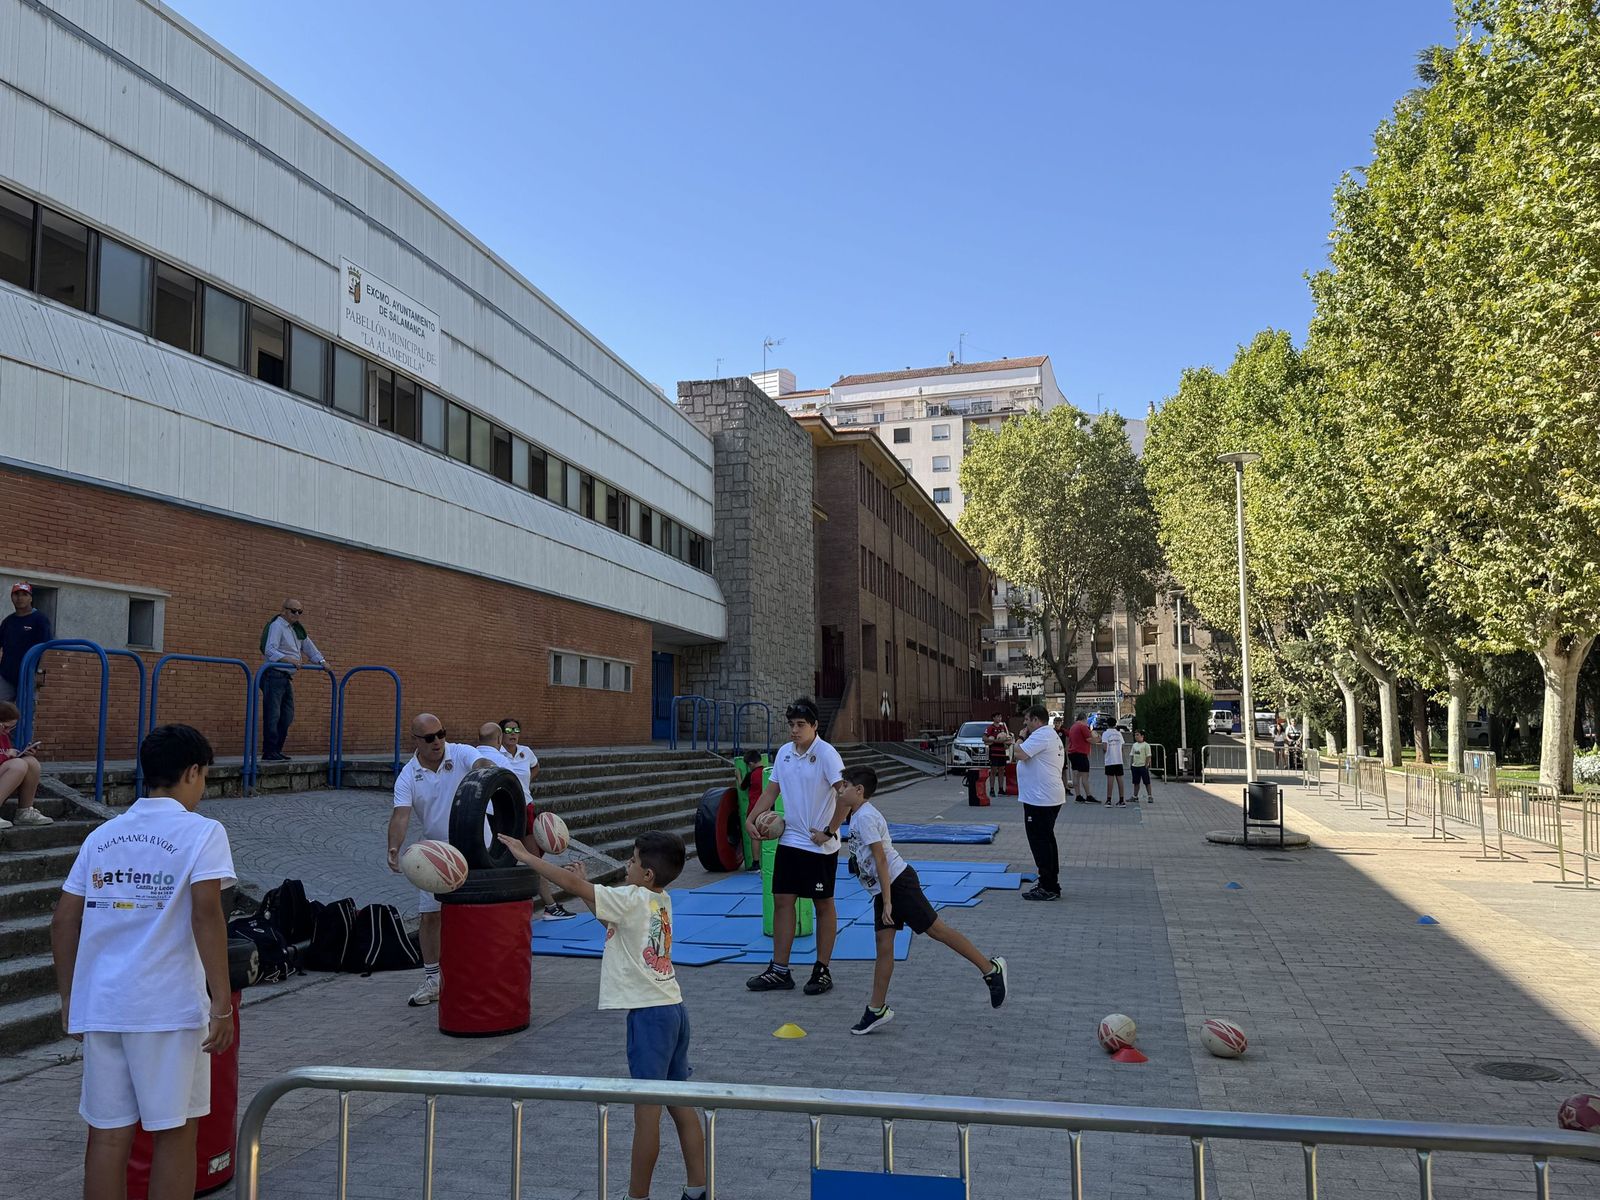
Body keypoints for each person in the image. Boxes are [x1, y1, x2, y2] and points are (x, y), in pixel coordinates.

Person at [51, 724, 235, 1200]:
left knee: (108, 1134)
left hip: (106, 1004)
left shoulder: (103, 835)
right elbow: (207, 914)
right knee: (175, 1132)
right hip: (167, 1008)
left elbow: (63, 920)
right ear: (192, 772)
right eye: (204, 778)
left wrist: (71, 996)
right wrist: (221, 1002)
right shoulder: (203, 832)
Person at [496, 831, 707, 1200]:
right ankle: (699, 1187)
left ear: (647, 875)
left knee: (647, 1115)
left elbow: (573, 884)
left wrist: (529, 858)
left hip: (649, 1018)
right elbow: (613, 920)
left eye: (633, 860)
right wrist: (584, 890)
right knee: (680, 1103)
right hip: (673, 1008)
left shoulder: (633, 897)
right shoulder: (660, 899)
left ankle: (636, 1195)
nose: (628, 864)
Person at [838, 765, 1007, 1033]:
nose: (839, 789)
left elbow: (881, 859)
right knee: (884, 945)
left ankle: (990, 969)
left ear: (859, 791)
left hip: (897, 885)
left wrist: (889, 902)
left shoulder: (865, 817)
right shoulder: (857, 813)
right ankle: (876, 1009)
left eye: (844, 785)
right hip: (886, 889)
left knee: (937, 930)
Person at [386, 714, 497, 1007]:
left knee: (479, 912)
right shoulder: (408, 775)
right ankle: (433, 979)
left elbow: (481, 765)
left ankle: (483, 973)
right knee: (430, 915)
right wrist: (394, 848)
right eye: (430, 738)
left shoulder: (460, 752)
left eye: (441, 734)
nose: (437, 741)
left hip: (476, 845)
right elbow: (401, 815)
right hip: (436, 852)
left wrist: (487, 768)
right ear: (416, 741)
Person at [744, 697, 847, 996]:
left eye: (801, 725)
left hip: (819, 846)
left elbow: (846, 796)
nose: (794, 730)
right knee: (782, 901)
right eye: (791, 725)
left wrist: (830, 831)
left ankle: (822, 969)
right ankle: (780, 970)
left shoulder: (827, 755)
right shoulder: (785, 754)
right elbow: (772, 789)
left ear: (815, 726)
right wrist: (751, 819)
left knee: (823, 904)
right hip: (790, 840)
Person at [501, 718, 573, 921]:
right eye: (508, 730)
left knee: (534, 858)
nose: (513, 733)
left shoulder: (525, 752)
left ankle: (550, 906)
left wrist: (525, 783)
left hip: (526, 808)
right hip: (504, 810)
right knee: (505, 859)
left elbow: (535, 767)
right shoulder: (496, 753)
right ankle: (509, 909)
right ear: (501, 734)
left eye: (516, 729)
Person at [258, 599, 332, 762]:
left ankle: (276, 750)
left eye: (300, 612)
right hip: (273, 675)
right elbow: (270, 650)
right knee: (273, 715)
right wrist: (289, 660)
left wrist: (322, 662)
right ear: (283, 610)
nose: (296, 615)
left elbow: (309, 648)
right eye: (293, 611)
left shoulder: (297, 630)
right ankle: (269, 752)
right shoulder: (277, 626)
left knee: (287, 716)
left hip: (285, 678)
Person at [1013, 704, 1067, 901]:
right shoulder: (1049, 734)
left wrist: (1019, 737)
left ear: (1036, 720)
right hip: (1045, 797)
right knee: (1047, 840)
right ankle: (1050, 881)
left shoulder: (1041, 734)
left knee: (1040, 842)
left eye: (1027, 720)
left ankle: (1048, 885)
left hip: (1040, 799)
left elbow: (1019, 753)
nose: (1025, 724)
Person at [0, 581, 52, 703]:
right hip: (6, 675)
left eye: (24, 594)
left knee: (25, 711)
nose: (20, 598)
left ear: (30, 598)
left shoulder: (40, 620)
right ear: (11, 597)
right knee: (3, 711)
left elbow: (45, 648)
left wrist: (39, 671)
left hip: (28, 674)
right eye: (16, 594)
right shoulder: (8, 621)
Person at [0, 699, 49, 827]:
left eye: (12, 727)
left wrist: (22, 754)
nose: (7, 731)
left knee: (31, 762)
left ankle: (25, 812)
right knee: (18, 765)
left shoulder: (3, 735)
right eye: (5, 727)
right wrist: (6, 756)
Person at [1065, 712, 1093, 802]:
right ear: (1084, 719)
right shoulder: (1083, 726)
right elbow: (1089, 739)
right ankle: (1088, 795)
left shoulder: (1073, 727)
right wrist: (1098, 739)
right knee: (1085, 775)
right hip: (1081, 753)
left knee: (1075, 774)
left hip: (1072, 753)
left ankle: (1078, 796)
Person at [982, 712, 1012, 798]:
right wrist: (995, 741)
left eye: (1000, 716)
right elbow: (984, 738)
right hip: (994, 752)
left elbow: (1007, 738)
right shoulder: (990, 728)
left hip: (1002, 752)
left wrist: (1007, 742)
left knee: (1002, 770)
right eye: (998, 717)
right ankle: (991, 789)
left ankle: (1001, 789)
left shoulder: (1003, 728)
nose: (999, 718)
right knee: (994, 770)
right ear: (994, 718)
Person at [1100, 720, 1127, 806]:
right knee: (1120, 779)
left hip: (1110, 759)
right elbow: (1122, 746)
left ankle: (1109, 800)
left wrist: (1104, 752)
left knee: (1110, 780)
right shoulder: (1119, 734)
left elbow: (1105, 747)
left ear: (1107, 724)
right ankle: (1122, 799)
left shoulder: (1105, 734)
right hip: (1118, 759)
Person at [1128, 729, 1155, 804]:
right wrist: (1131, 765)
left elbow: (1148, 756)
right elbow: (1132, 755)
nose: (1136, 736)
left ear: (1142, 736)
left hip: (1142, 766)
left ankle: (1150, 796)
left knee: (1146, 782)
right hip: (1135, 766)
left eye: (1137, 735)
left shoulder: (1146, 745)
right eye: (1135, 735)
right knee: (1136, 782)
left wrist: (1146, 765)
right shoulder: (1134, 745)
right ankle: (1135, 796)